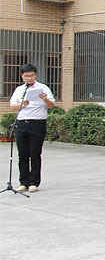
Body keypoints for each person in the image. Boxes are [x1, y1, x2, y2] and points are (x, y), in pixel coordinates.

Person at [9, 64, 55, 193]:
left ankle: (34, 182)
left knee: (35, 153)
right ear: (22, 76)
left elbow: (51, 105)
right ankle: (23, 182)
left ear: (36, 75)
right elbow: (12, 106)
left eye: (32, 75)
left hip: (37, 124)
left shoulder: (43, 88)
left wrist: (45, 99)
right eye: (26, 76)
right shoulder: (19, 89)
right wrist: (22, 104)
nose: (29, 78)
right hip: (22, 123)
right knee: (22, 154)